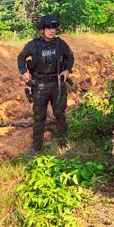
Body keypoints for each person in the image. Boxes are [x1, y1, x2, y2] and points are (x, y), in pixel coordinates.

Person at [17, 15, 74, 152]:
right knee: (39, 117)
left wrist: (67, 70)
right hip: (40, 86)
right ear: (42, 30)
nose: (52, 31)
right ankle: (37, 148)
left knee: (60, 114)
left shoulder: (60, 44)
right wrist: (24, 72)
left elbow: (70, 57)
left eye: (53, 28)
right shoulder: (34, 45)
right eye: (49, 28)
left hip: (57, 85)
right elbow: (21, 57)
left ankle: (63, 143)